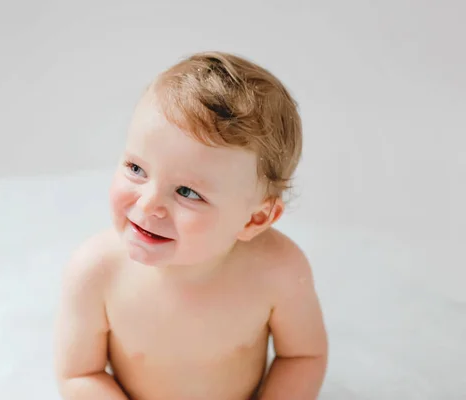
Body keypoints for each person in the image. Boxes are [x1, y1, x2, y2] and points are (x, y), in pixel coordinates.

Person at [54, 51, 328, 400]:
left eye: (187, 192)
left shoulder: (277, 271)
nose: (148, 203)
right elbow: (79, 375)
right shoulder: (96, 272)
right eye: (136, 168)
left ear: (254, 218)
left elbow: (302, 357)